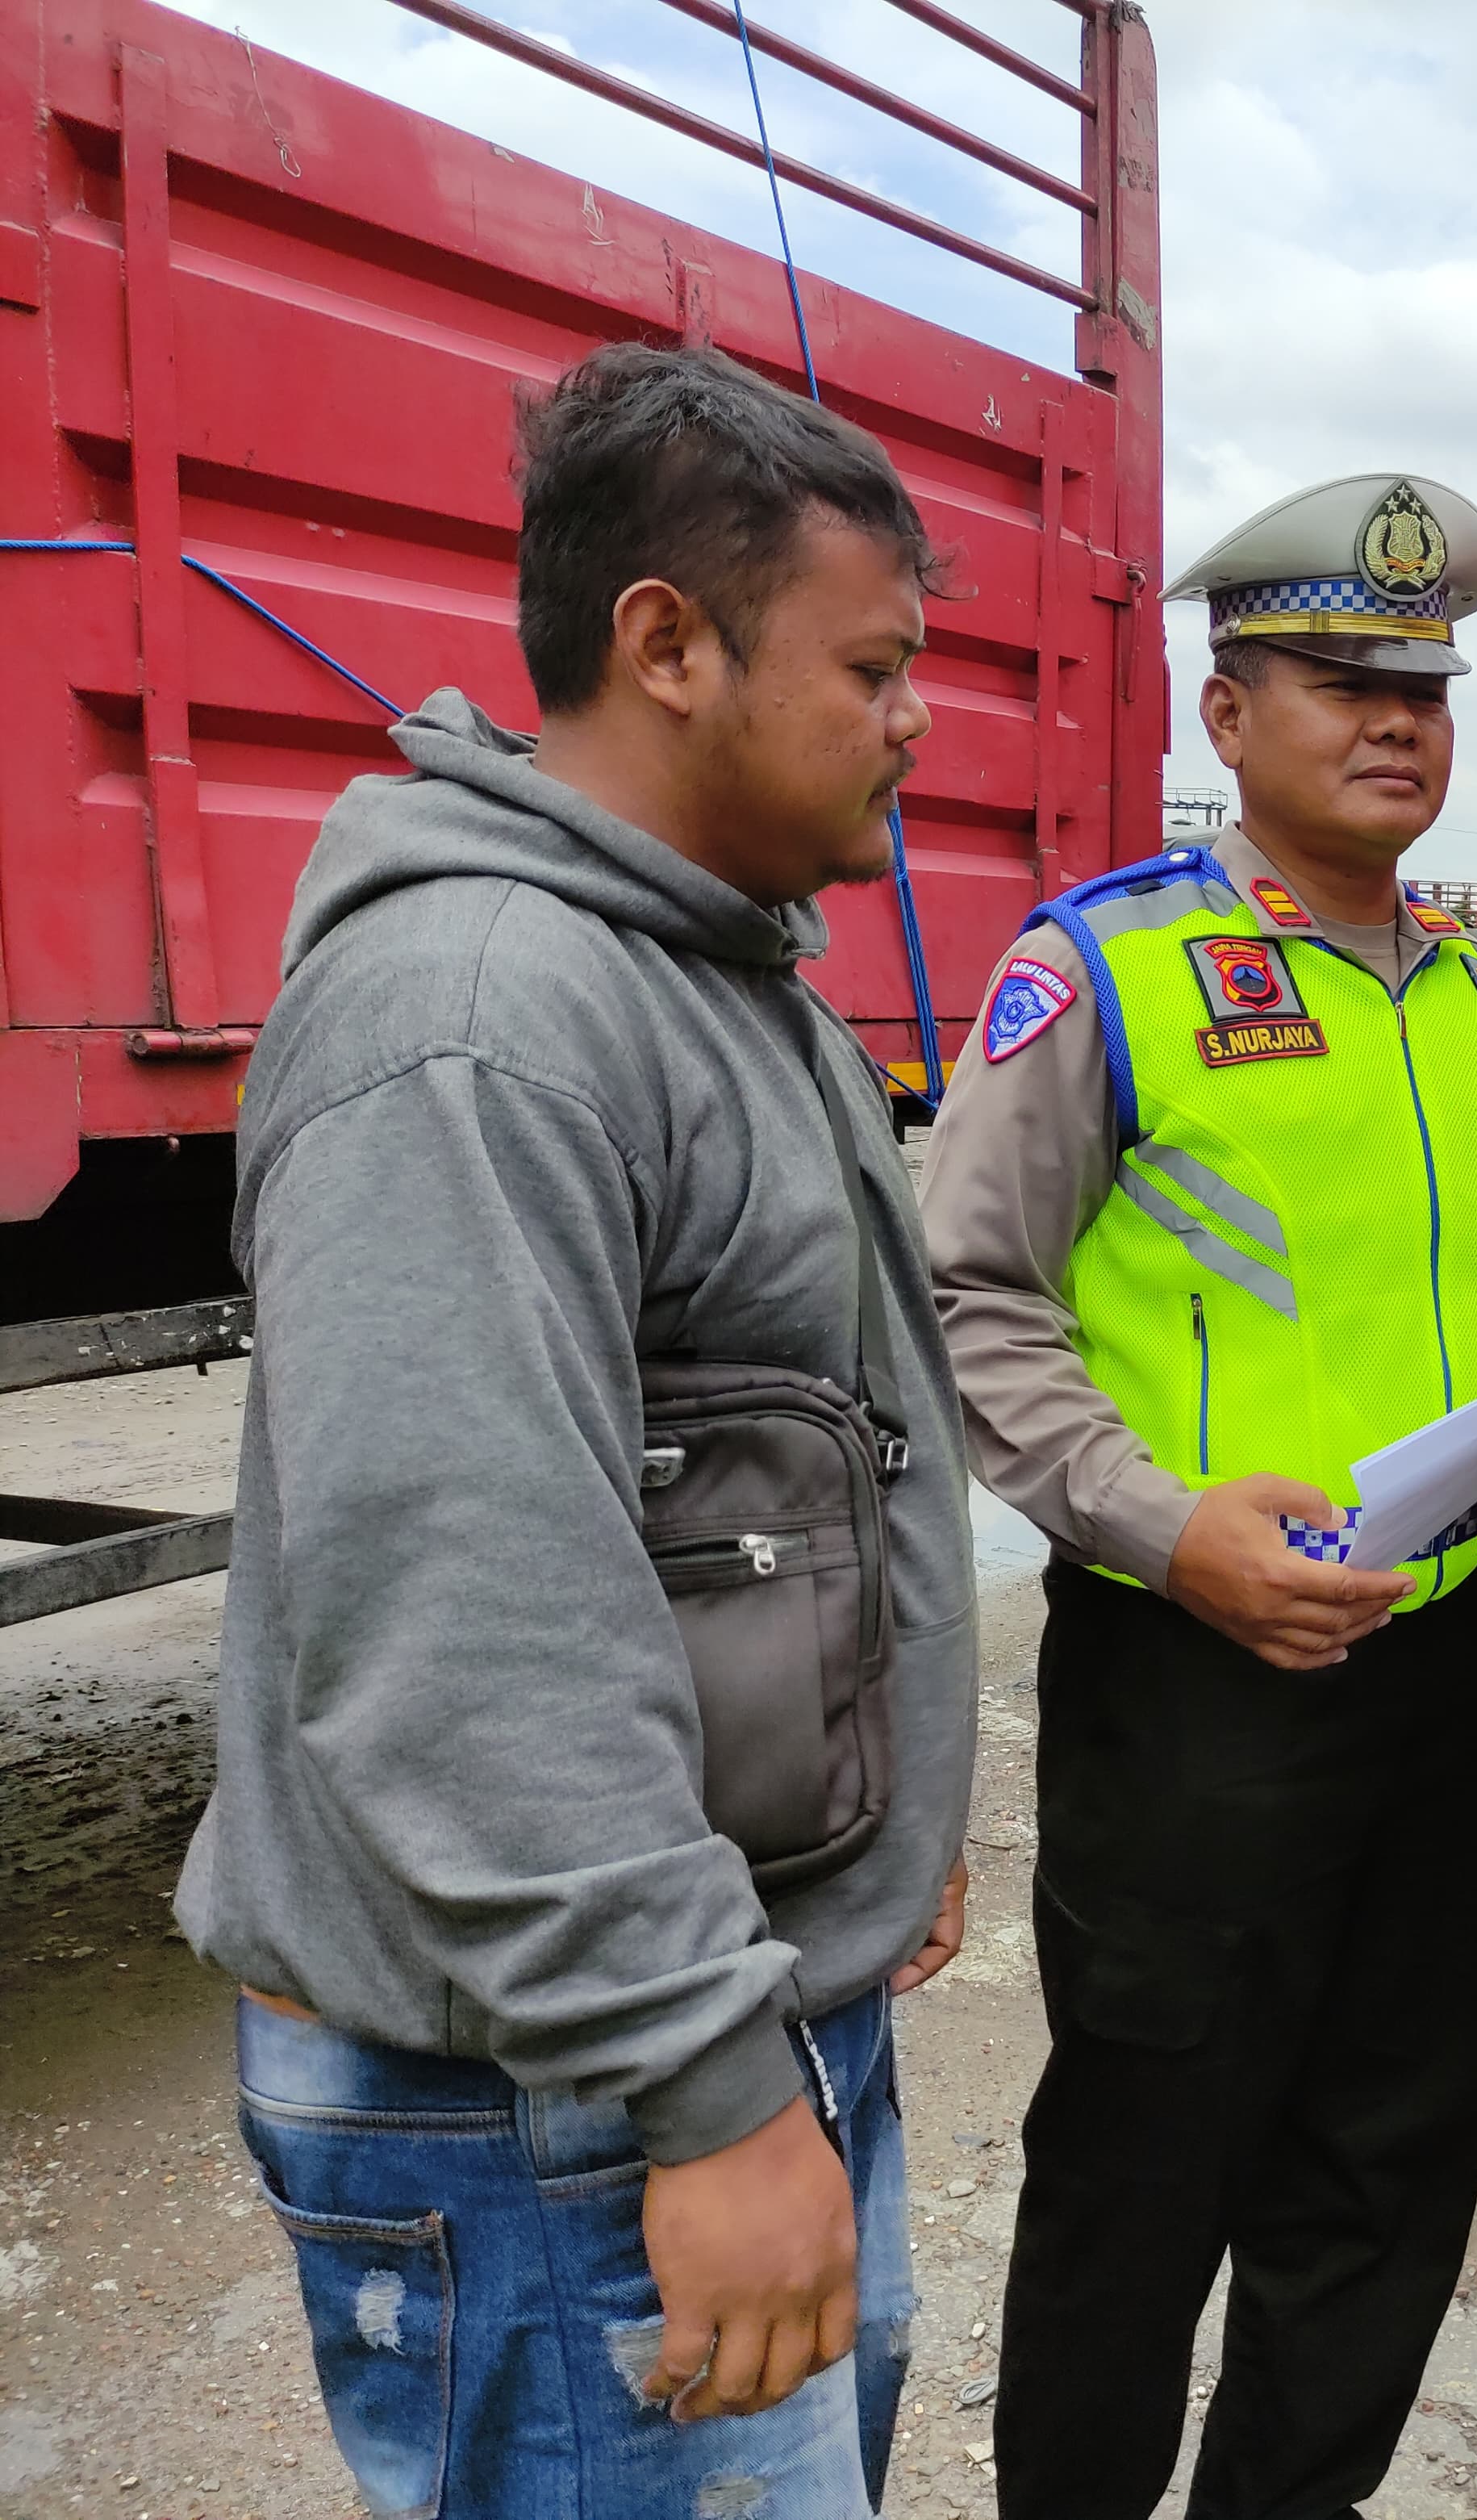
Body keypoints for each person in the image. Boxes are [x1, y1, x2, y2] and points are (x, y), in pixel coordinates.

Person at [177, 343, 978, 2516]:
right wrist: (706, 2085)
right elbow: (464, 1618)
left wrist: (867, 1817)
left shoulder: (720, 973)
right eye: (878, 664)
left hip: (675, 2012)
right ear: (669, 644)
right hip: (547, 2096)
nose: (920, 719)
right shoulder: (487, 1016)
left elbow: (787, 1454)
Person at [920, 471, 1477, 2512]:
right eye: (1341, 677)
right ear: (1224, 711)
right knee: (1143, 2174)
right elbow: (970, 1295)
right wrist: (1167, 1527)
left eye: (1425, 684)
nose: (1398, 719)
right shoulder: (1104, 977)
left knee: (1385, 2165)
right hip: (1197, 1690)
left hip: (1432, 1684)